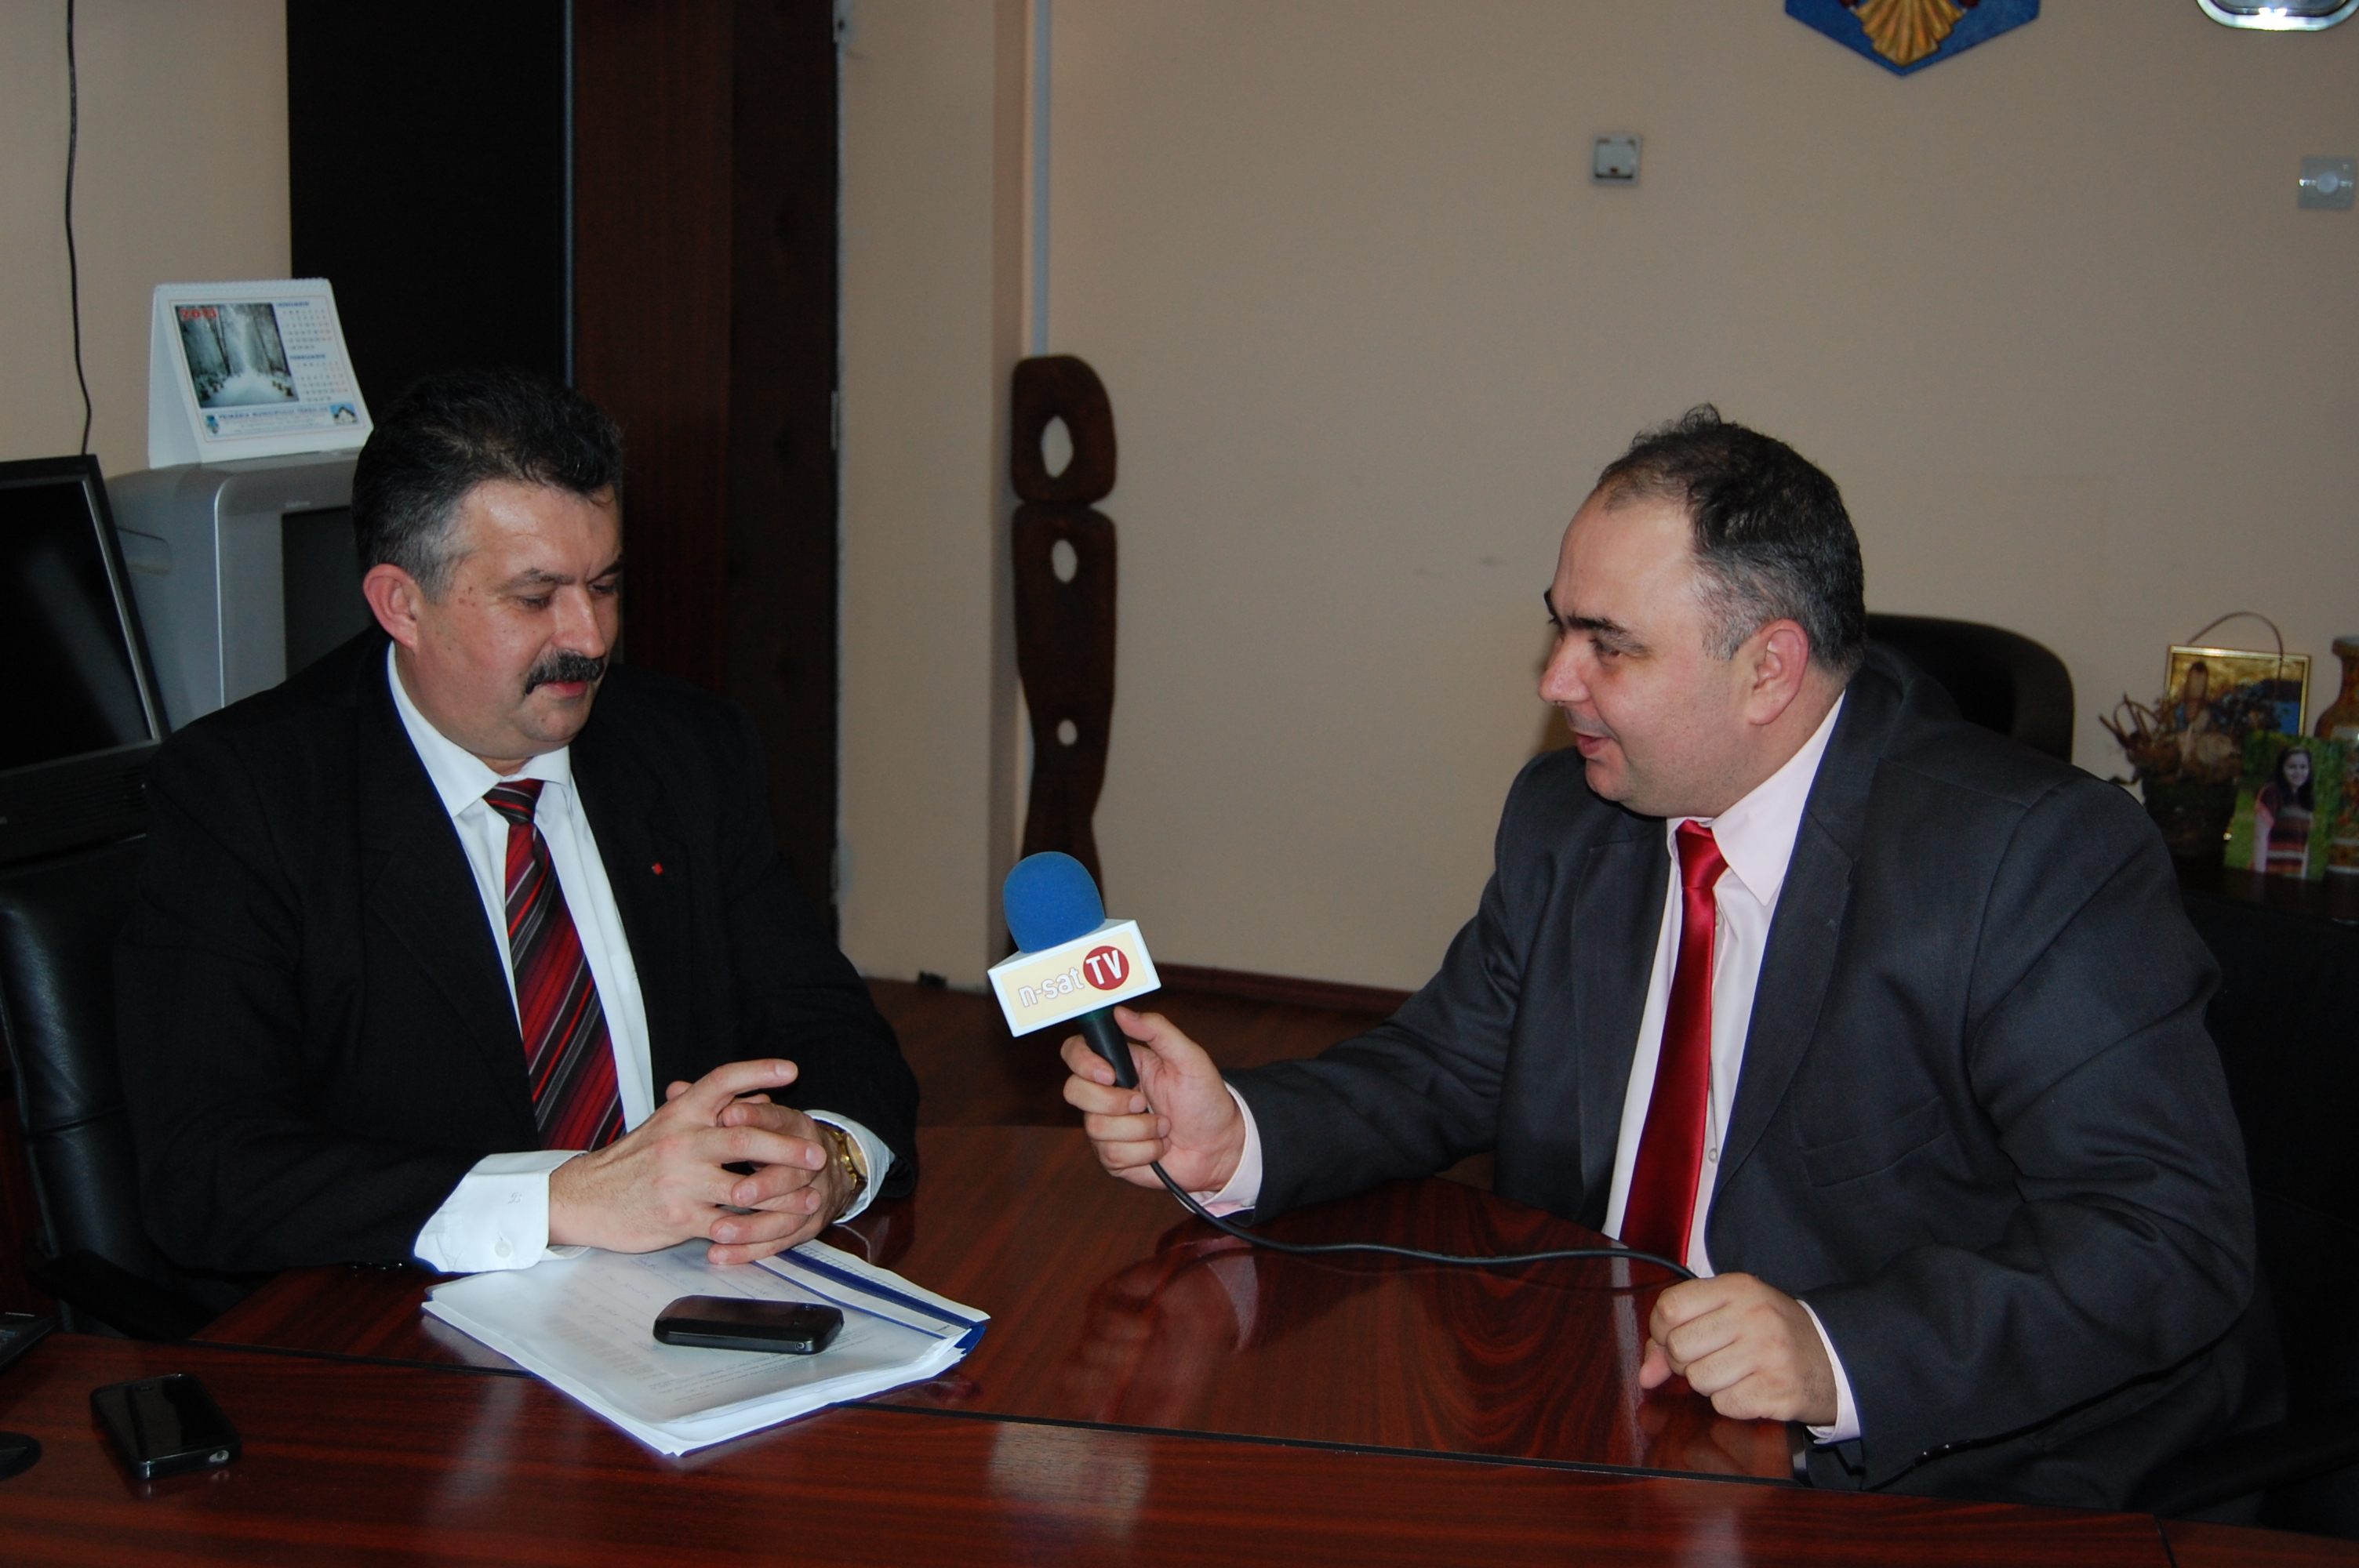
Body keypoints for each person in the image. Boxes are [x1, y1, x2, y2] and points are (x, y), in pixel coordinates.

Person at [1061, 408, 2274, 1510]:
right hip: (1608, 1417)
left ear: (1769, 670)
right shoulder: (1572, 816)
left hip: (1942, 1473)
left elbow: (2166, 1238)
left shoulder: (2028, 859)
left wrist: (1838, 1352)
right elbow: (1447, 1065)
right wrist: (1239, 1135)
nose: (1556, 680)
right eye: (1560, 625)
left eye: (1610, 646)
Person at [118, 369, 918, 1305]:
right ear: (400, 604)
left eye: (605, 584)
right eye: (536, 598)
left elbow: (834, 1031)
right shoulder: (245, 795)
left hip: (688, 1298)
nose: (590, 636)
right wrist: (564, 1197)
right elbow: (208, 1173)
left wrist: (829, 1160)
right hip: (392, 1327)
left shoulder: (689, 748)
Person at [2253, 743, 2316, 878]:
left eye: (2303, 767)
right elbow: (2260, 838)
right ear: (2282, 768)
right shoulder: (2272, 792)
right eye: (2292, 767)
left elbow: (2304, 845)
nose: (2298, 772)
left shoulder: (2305, 798)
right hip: (2269, 873)